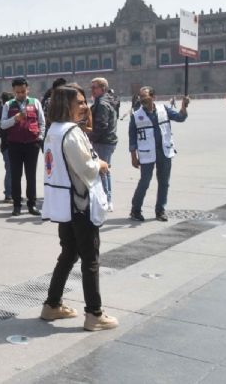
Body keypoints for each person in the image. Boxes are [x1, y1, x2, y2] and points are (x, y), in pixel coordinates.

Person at [40, 85, 118, 332]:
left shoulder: (53, 130)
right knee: (90, 259)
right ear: (67, 105)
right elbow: (85, 167)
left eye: (85, 102)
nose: (85, 106)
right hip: (79, 203)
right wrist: (102, 164)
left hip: (64, 203)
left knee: (69, 254)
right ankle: (94, 314)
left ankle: (52, 304)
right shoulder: (71, 132)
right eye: (81, 102)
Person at [129, 87, 189, 222]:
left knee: (164, 182)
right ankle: (135, 209)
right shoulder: (136, 115)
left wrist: (184, 106)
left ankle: (160, 210)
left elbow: (180, 117)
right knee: (144, 182)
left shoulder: (164, 109)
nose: (142, 100)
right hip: (146, 153)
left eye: (145, 97)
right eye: (141, 97)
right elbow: (132, 138)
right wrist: (133, 156)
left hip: (164, 150)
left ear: (153, 97)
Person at [0, 77, 45, 216]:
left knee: (31, 176)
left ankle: (32, 205)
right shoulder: (8, 105)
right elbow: (2, 124)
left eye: (23, 91)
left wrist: (40, 137)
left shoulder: (35, 102)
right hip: (15, 145)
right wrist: (15, 119)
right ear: (13, 90)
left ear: (27, 89)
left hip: (32, 144)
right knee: (16, 176)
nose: (20, 94)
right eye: (18, 92)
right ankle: (17, 205)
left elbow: (42, 122)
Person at [88, 78, 118, 207]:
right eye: (92, 87)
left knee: (102, 170)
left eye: (95, 87)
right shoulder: (107, 100)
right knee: (105, 169)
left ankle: (106, 199)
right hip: (108, 140)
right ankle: (107, 197)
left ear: (103, 88)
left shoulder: (102, 104)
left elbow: (101, 125)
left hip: (102, 141)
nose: (92, 90)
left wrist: (90, 137)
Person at [0, 92, 14, 203]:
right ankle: (9, 194)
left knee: (14, 170)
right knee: (10, 170)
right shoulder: (4, 115)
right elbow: (2, 133)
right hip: (7, 146)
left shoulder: (6, 113)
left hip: (9, 145)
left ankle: (12, 193)